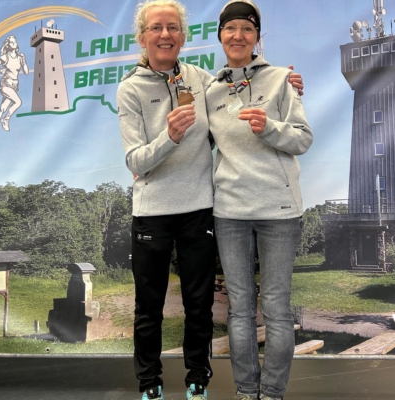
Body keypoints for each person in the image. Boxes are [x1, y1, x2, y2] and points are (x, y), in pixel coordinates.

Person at [117, 2, 305, 399]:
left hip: (202, 208)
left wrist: (286, 84)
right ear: (142, 36)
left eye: (173, 27)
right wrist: (169, 137)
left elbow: (255, 90)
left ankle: (199, 381)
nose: (165, 34)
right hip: (163, 211)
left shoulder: (203, 80)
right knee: (150, 307)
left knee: (200, 306)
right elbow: (135, 161)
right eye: (156, 28)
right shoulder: (131, 88)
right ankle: (151, 384)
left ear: (183, 37)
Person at [205, 1, 314, 399]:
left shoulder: (283, 79)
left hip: (279, 212)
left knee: (277, 308)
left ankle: (272, 393)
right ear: (220, 35)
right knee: (239, 309)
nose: (238, 36)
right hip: (230, 212)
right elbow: (198, 144)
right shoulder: (209, 90)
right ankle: (246, 392)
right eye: (230, 28)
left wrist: (269, 127)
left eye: (247, 29)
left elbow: (302, 138)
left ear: (257, 37)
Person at [0, 35, 28, 140]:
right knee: (18, 102)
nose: (14, 43)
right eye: (11, 42)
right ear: (8, 45)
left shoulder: (19, 58)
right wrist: (0, 70)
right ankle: (6, 119)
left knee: (2, 108)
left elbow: (26, 72)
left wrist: (24, 61)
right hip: (5, 84)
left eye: (15, 41)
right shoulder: (4, 57)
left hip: (14, 85)